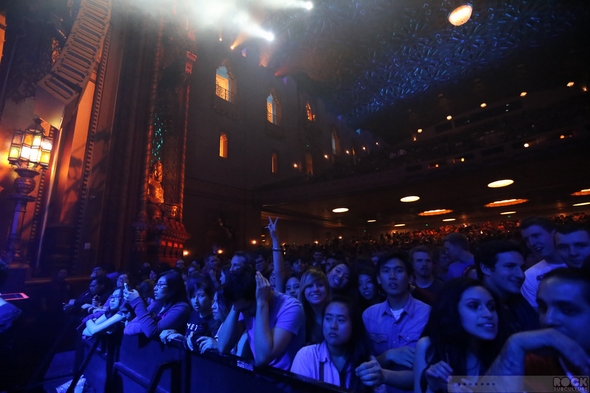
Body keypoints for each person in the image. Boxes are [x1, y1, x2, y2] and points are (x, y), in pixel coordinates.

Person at [485, 268, 590, 391]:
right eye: (543, 308)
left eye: (568, 310)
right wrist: (515, 343)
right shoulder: (533, 365)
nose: (548, 320)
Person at [414, 278, 503, 393]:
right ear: (452, 311)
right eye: (474, 306)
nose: (488, 314)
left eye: (491, 307)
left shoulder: (503, 351)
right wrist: (433, 387)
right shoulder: (429, 346)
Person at [362, 252, 431, 392]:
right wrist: (388, 356)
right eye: (386, 271)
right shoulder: (369, 315)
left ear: (410, 278)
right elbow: (362, 364)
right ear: (379, 279)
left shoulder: (427, 314)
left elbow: (427, 373)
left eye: (398, 271)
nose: (392, 276)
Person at [217, 266, 305, 370]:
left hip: (287, 382)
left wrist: (262, 303)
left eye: (245, 309)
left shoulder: (291, 307)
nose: (244, 312)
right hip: (262, 378)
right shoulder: (244, 305)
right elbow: (222, 346)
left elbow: (262, 358)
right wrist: (235, 307)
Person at [291, 297, 381, 391]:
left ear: (354, 325)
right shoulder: (306, 356)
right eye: (328, 319)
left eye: (341, 320)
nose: (333, 326)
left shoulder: (367, 360)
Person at [475, 240, 539, 337]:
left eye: (522, 268)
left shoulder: (518, 301)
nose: (520, 275)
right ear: (486, 268)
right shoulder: (477, 310)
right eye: (510, 266)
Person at [124, 271, 191, 338]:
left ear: (173, 288)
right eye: (156, 284)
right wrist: (147, 327)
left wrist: (137, 301)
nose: (155, 288)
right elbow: (128, 327)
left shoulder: (181, 308)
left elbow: (151, 331)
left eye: (161, 285)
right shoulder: (157, 304)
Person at [520, 217, 566, 309]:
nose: (532, 243)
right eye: (526, 240)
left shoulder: (580, 262)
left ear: (553, 234)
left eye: (536, 236)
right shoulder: (529, 276)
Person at [160, 274, 219, 345]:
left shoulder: (216, 319)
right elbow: (191, 342)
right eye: (193, 296)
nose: (196, 301)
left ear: (210, 297)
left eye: (201, 296)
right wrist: (181, 337)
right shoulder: (193, 314)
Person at [299, 268, 331, 344]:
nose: (315, 289)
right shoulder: (299, 317)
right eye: (309, 286)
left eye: (320, 285)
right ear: (303, 291)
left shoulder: (336, 311)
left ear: (327, 289)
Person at [194, 288, 231, 354]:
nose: (213, 306)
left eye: (217, 302)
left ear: (228, 304)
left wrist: (218, 345)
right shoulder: (221, 324)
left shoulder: (237, 328)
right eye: (213, 302)